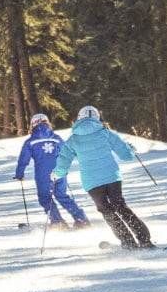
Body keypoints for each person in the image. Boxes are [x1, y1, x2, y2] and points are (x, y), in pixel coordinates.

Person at [52, 106, 155, 250]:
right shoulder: (105, 133)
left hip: (92, 182)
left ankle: (128, 242)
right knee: (120, 206)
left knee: (106, 210)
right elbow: (126, 155)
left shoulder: (73, 140)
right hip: (112, 177)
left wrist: (57, 174)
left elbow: (63, 162)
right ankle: (144, 240)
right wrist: (131, 150)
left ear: (79, 118)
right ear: (97, 118)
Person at [15, 114, 90, 229]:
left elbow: (23, 160)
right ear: (48, 123)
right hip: (59, 172)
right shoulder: (56, 138)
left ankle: (57, 222)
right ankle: (81, 219)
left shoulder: (30, 141)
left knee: (45, 198)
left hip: (43, 175)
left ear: (32, 125)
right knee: (62, 195)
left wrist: (19, 174)